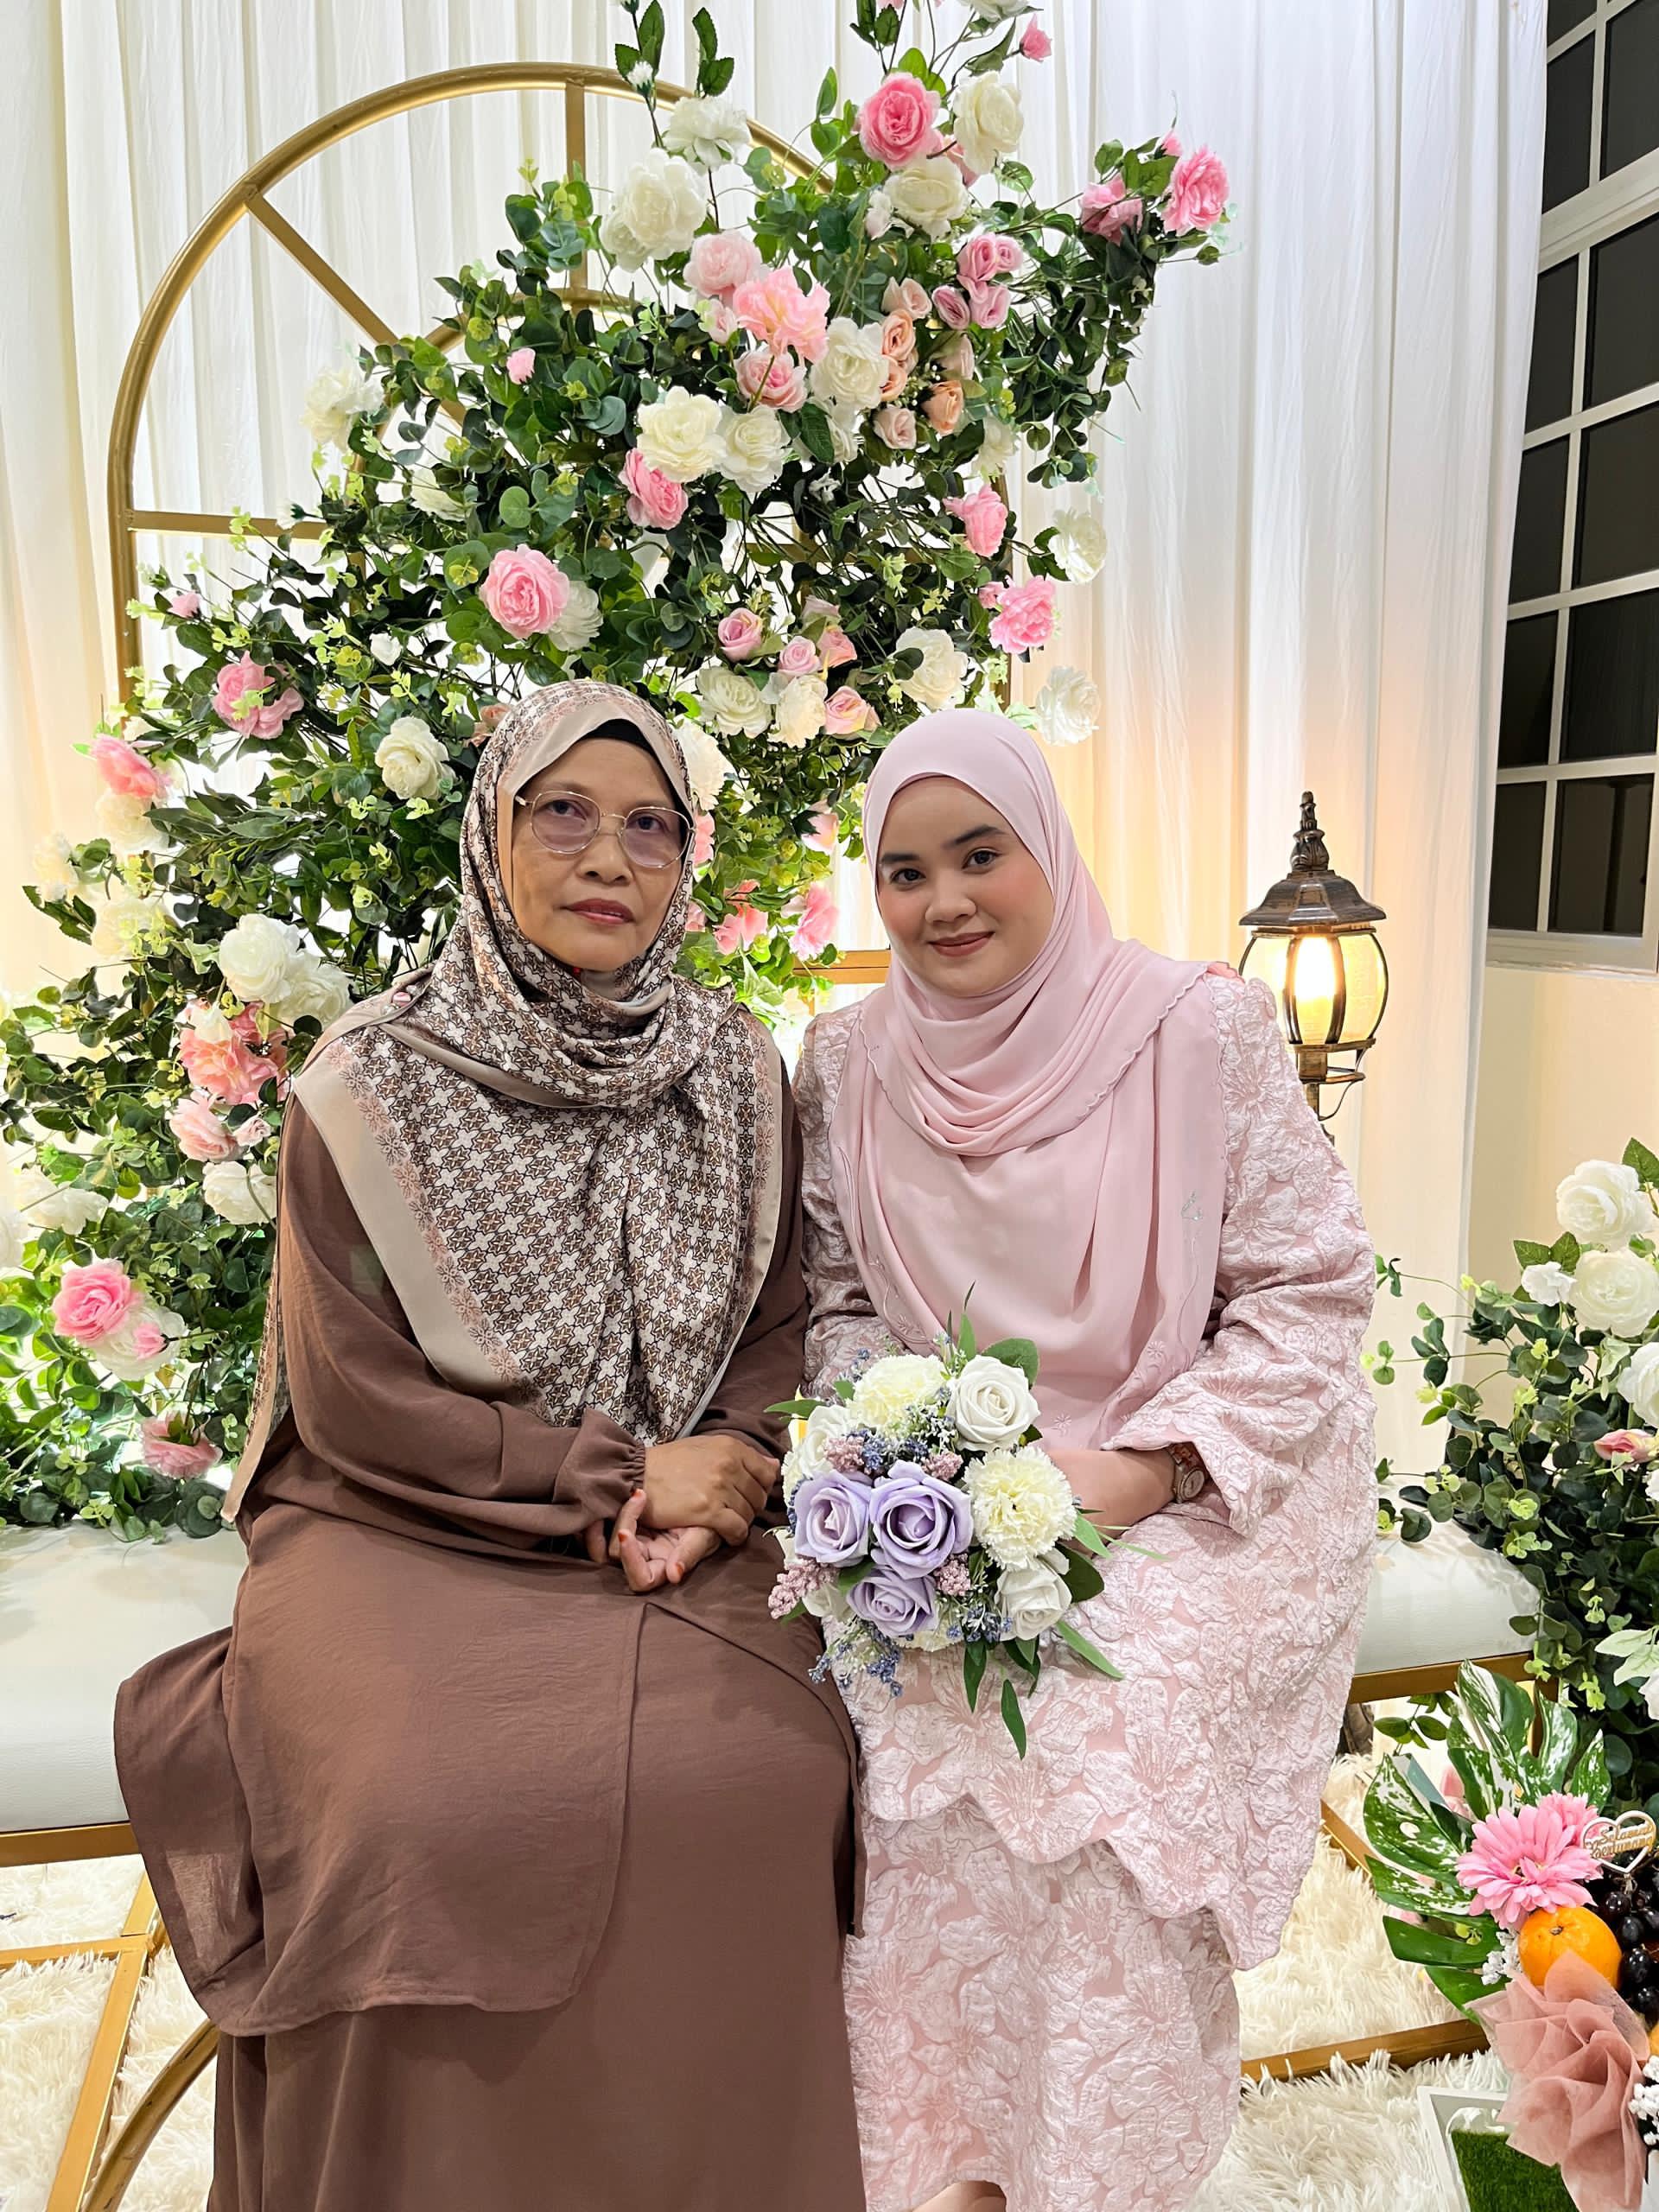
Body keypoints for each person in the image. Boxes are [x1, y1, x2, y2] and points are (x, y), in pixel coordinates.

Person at [115, 680, 866, 2212]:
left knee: (763, 1770)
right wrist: (614, 1477)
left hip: (682, 1527)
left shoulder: (736, 1072)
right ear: (491, 834)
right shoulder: (371, 1083)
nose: (608, 857)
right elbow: (354, 1395)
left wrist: (724, 1474)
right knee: (417, 1802)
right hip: (401, 1513)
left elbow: (781, 1322)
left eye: (649, 827)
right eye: (563, 813)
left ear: (687, 859)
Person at [794, 709, 1377, 2212]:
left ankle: (1098, 2170)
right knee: (892, 1703)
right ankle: (944, 2167)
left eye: (980, 854)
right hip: (954, 1486)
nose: (946, 902)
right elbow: (842, 1300)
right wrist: (905, 1462)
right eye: (906, 872)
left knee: (1108, 1713)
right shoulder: (848, 1060)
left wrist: (1151, 1467)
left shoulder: (1197, 1031)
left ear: (1047, 847)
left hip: (1206, 1469)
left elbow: (1309, 1293)